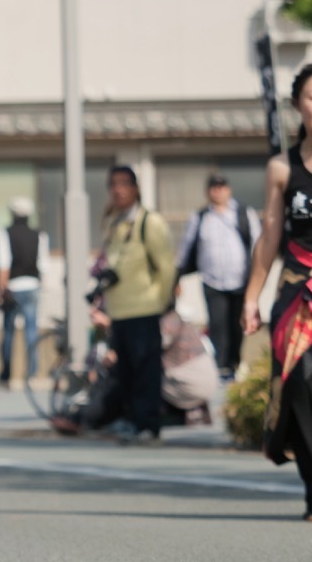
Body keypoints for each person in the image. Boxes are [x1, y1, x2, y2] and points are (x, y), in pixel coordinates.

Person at [243, 61, 312, 523]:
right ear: (297, 105)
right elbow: (270, 235)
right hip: (302, 291)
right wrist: (252, 296)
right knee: (306, 391)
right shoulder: (281, 167)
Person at [93, 165, 176, 445]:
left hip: (144, 308)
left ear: (136, 188)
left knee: (146, 371)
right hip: (119, 310)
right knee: (125, 371)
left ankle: (148, 425)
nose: (118, 190)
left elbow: (166, 267)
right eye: (113, 184)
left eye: (124, 184)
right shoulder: (114, 222)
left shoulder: (148, 221)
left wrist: (159, 301)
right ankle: (131, 421)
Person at [52, 304, 219, 436]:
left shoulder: (167, 322)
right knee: (125, 370)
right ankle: (87, 417)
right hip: (193, 381)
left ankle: (84, 419)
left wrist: (111, 328)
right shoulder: (174, 318)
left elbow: (143, 350)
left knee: (121, 375)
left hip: (186, 382)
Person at [174, 173, 260, 380]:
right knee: (217, 325)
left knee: (237, 325)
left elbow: (258, 244)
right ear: (208, 191)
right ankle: (219, 368)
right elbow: (186, 248)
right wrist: (177, 277)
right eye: (214, 187)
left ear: (228, 189)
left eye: (222, 187)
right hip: (212, 281)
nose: (218, 191)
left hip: (240, 281)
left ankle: (235, 364)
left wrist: (257, 279)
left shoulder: (243, 213)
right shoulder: (201, 216)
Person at [0, 196, 48, 388]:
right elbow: (43, 264)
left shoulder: (5, 233)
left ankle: (6, 375)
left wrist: (1, 288)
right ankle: (32, 374)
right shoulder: (39, 234)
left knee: (8, 332)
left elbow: (3, 262)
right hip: (33, 285)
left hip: (12, 287)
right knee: (31, 331)